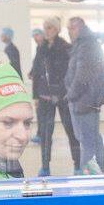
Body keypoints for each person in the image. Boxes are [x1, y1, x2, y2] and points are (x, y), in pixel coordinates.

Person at [30, 17, 79, 175]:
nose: (47, 31)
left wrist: (64, 93)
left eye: (50, 27)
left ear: (57, 29)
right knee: (45, 133)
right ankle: (45, 166)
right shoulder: (41, 48)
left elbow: (70, 74)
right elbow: (36, 71)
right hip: (44, 97)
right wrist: (35, 96)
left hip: (62, 97)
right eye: (45, 28)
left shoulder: (65, 47)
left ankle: (77, 164)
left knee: (70, 130)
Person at [64, 15, 104, 174]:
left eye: (72, 28)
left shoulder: (86, 45)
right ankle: (96, 174)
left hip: (84, 101)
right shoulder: (84, 44)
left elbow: (82, 76)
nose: (69, 32)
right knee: (93, 140)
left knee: (88, 143)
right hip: (86, 100)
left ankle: (89, 177)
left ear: (81, 27)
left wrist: (70, 95)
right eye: (68, 29)